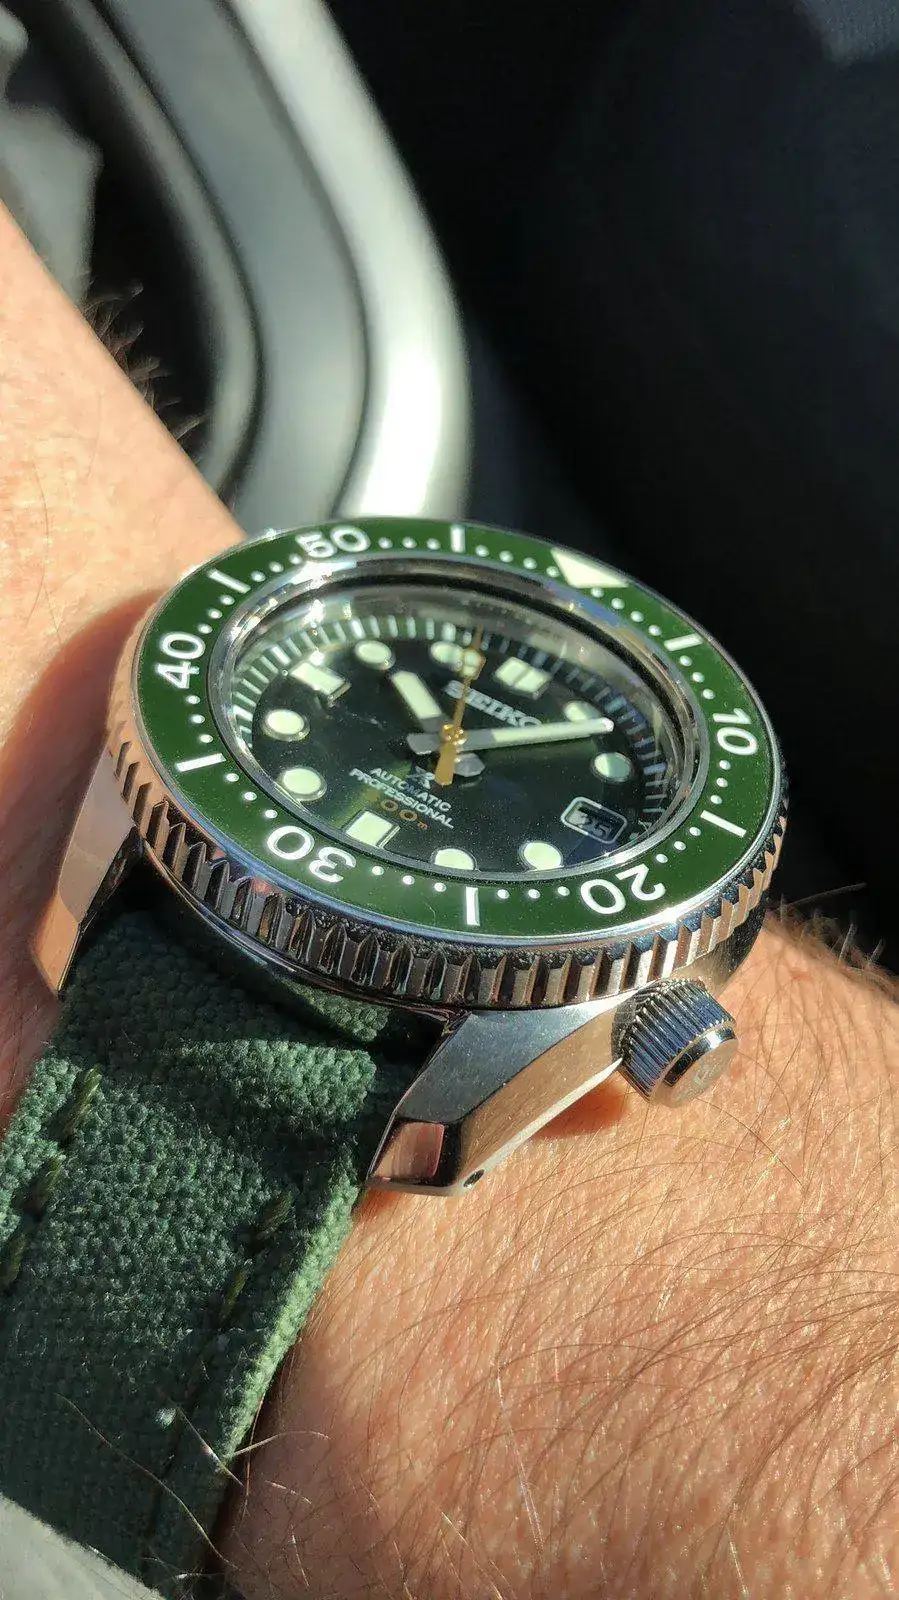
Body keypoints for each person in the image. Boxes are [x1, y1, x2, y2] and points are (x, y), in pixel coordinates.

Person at [0, 200, 897, 1599]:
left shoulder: (532, 1050)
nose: (451, 755)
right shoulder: (119, 833)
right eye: (447, 735)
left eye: (471, 747)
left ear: (673, 1020)